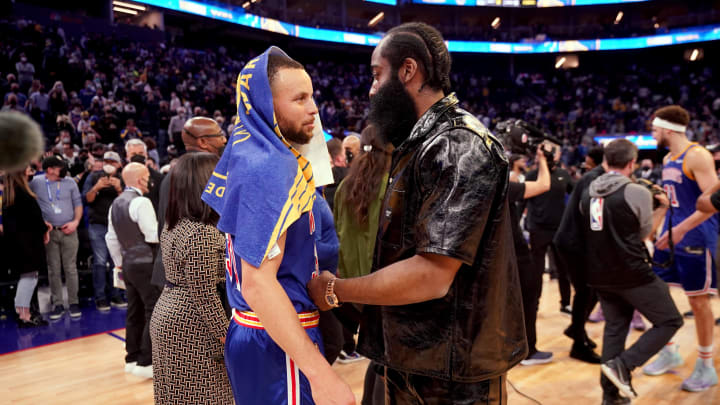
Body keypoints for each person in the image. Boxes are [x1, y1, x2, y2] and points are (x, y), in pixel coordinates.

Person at [307, 23, 526, 403]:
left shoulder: (458, 145)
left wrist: (335, 290)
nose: (372, 89)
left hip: (450, 375)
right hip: (418, 361)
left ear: (409, 71)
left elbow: (430, 276)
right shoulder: (421, 141)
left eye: (377, 75)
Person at [201, 47, 355, 405]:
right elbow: (257, 283)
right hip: (275, 339)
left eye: (312, 96)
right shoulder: (271, 167)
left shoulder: (247, 152)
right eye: (299, 98)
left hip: (259, 333)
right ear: (267, 107)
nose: (314, 108)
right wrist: (322, 376)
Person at [578, 139, 683, 404]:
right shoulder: (636, 192)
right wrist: (661, 208)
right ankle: (623, 365)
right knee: (670, 320)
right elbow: (644, 234)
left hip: (600, 273)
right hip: (632, 272)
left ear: (605, 162)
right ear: (631, 163)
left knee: (615, 328)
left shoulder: (587, 192)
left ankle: (610, 396)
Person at [642, 105, 719, 392]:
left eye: (654, 129)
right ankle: (669, 350)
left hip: (697, 237)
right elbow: (673, 201)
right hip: (671, 237)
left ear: (668, 129)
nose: (653, 133)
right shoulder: (668, 158)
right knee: (657, 293)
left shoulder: (697, 155)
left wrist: (681, 229)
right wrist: (658, 226)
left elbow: (713, 203)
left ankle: (706, 365)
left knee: (699, 302)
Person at [150, 152, 233, 404]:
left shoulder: (175, 223)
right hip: (192, 325)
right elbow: (205, 296)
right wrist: (229, 339)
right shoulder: (202, 234)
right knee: (208, 396)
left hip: (172, 312)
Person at [151, 117, 226, 288]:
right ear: (203, 141)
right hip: (201, 275)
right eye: (219, 135)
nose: (224, 139)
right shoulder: (208, 173)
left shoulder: (172, 174)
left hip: (172, 272)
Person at [106, 162, 161, 379]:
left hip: (128, 264)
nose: (150, 181)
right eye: (147, 176)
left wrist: (120, 262)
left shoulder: (115, 203)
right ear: (140, 180)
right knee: (152, 309)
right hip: (146, 263)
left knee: (134, 310)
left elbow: (110, 238)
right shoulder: (141, 202)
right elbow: (152, 235)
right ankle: (147, 361)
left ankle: (132, 357)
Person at [508, 145, 555, 365]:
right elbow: (544, 184)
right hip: (515, 252)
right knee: (529, 298)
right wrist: (542, 159)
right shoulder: (501, 183)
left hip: (498, 255)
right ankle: (527, 351)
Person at [30, 155, 83, 320]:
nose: (64, 169)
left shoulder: (70, 182)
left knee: (71, 268)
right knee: (53, 269)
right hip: (49, 232)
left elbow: (78, 204)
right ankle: (57, 304)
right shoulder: (36, 182)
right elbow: (30, 204)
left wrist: (75, 222)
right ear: (50, 170)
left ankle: (74, 302)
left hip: (69, 230)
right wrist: (41, 222)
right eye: (60, 166)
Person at [2, 168, 51, 327]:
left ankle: (23, 312)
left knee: (26, 278)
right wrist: (45, 228)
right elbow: (34, 218)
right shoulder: (23, 193)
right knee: (29, 279)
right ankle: (24, 315)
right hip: (28, 243)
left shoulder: (10, 194)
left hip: (16, 243)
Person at [83, 151, 125, 311]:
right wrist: (97, 187)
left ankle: (116, 294)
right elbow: (87, 199)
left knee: (117, 262)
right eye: (106, 161)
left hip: (117, 225)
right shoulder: (94, 177)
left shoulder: (123, 177)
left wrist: (119, 188)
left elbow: (128, 201)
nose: (109, 164)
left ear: (118, 164)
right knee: (100, 262)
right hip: (98, 225)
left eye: (112, 162)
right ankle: (100, 297)